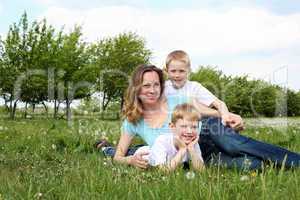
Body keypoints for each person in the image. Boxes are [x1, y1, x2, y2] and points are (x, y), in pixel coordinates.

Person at [98, 64, 300, 170]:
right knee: (252, 166)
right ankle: (104, 147)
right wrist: (130, 161)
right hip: (197, 156)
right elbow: (119, 156)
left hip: (207, 132)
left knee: (233, 144)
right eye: (146, 85)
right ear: (136, 87)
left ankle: (296, 162)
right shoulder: (133, 120)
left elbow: (208, 111)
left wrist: (228, 115)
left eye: (156, 84)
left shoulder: (176, 99)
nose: (152, 90)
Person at [134, 103, 205, 171]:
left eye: (194, 127)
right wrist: (182, 149)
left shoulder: (192, 144)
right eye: (184, 126)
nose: (189, 131)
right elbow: (163, 171)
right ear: (172, 127)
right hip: (141, 153)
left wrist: (191, 149)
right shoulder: (162, 141)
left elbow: (201, 171)